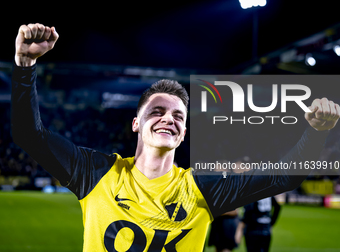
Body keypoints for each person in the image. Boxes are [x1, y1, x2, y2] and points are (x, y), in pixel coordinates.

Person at [11, 23, 340, 252]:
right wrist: (25, 65)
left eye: (178, 116)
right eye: (157, 111)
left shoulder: (202, 190)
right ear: (136, 123)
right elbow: (29, 135)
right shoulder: (96, 172)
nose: (168, 118)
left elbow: (285, 176)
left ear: (183, 134)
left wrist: (316, 132)